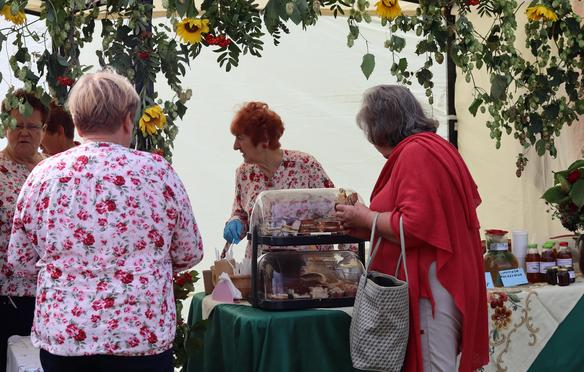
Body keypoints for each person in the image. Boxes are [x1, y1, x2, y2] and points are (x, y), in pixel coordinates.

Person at [7, 69, 204, 372]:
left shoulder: (43, 176)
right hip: (140, 339)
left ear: (76, 121)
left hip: (65, 340)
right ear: (127, 119)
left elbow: (20, 260)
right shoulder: (158, 172)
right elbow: (189, 252)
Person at [335, 85, 489, 372]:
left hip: (430, 279)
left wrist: (368, 218)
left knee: (433, 365)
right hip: (444, 274)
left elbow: (417, 226)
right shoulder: (435, 146)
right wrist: (363, 219)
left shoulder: (415, 153)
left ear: (381, 128)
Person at [223, 101, 334, 255]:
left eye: (240, 138)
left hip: (308, 271)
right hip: (261, 269)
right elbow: (242, 213)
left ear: (264, 140)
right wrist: (236, 222)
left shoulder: (304, 166)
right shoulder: (244, 174)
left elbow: (337, 212)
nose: (235, 146)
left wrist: (346, 263)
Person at [0, 90, 48, 372]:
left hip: (49, 297)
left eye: (33, 127)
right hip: (7, 297)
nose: (25, 133)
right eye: (18, 125)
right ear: (5, 125)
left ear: (43, 130)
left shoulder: (53, 169)